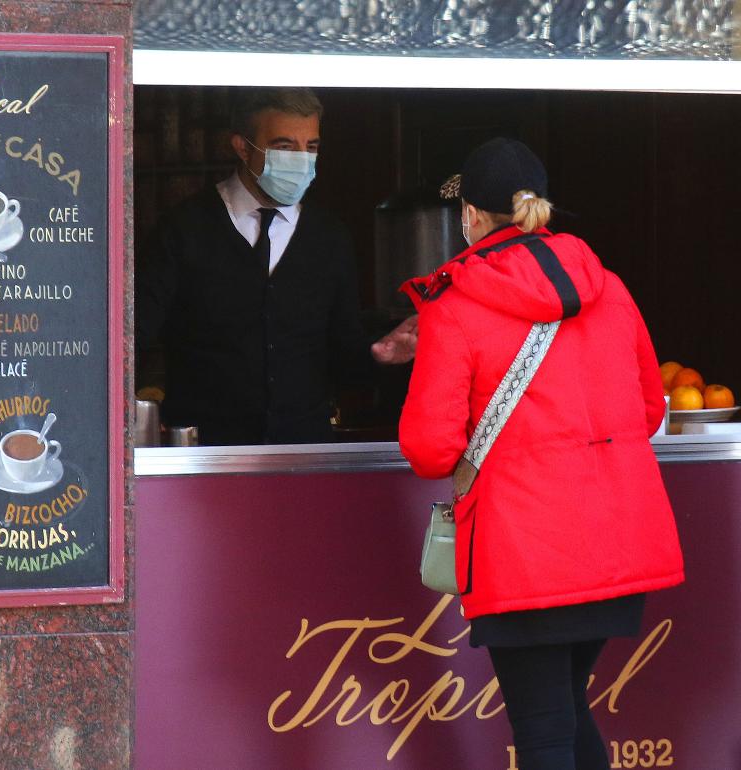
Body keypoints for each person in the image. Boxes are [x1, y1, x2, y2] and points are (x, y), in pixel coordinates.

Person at [398, 137, 685, 770]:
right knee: (564, 713)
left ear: (470, 216)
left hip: (524, 551)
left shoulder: (455, 304)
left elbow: (429, 448)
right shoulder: (608, 287)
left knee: (545, 732)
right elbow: (650, 409)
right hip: (615, 546)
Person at [135, 87, 416, 445]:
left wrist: (379, 355)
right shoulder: (183, 229)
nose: (301, 160)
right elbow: (135, 336)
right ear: (241, 146)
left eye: (311, 147)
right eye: (285, 147)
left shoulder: (329, 238)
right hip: (204, 457)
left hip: (305, 454)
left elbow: (345, 355)